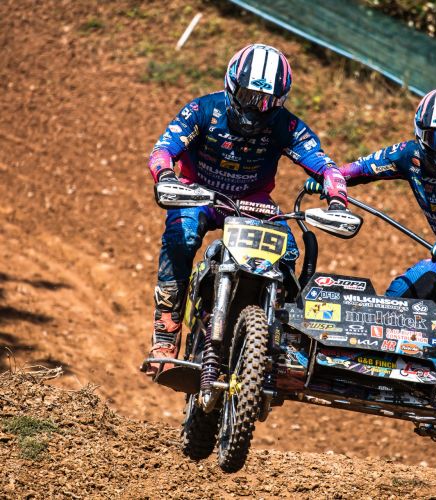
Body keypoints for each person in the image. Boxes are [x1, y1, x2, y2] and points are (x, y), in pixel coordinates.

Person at [141, 44, 349, 380]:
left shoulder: (286, 126)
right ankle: (166, 336)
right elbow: (164, 148)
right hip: (199, 194)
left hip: (254, 202)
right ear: (231, 86)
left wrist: (337, 199)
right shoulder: (202, 110)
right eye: (248, 97)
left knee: (288, 253)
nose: (255, 108)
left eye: (265, 102)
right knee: (182, 238)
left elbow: (325, 165)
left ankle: (282, 342)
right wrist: (165, 175)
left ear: (280, 101)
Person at [307, 87, 436, 387]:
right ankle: (410, 367)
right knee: (398, 295)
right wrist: (330, 181)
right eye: (435, 138)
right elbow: (359, 168)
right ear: (420, 133)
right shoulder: (408, 155)